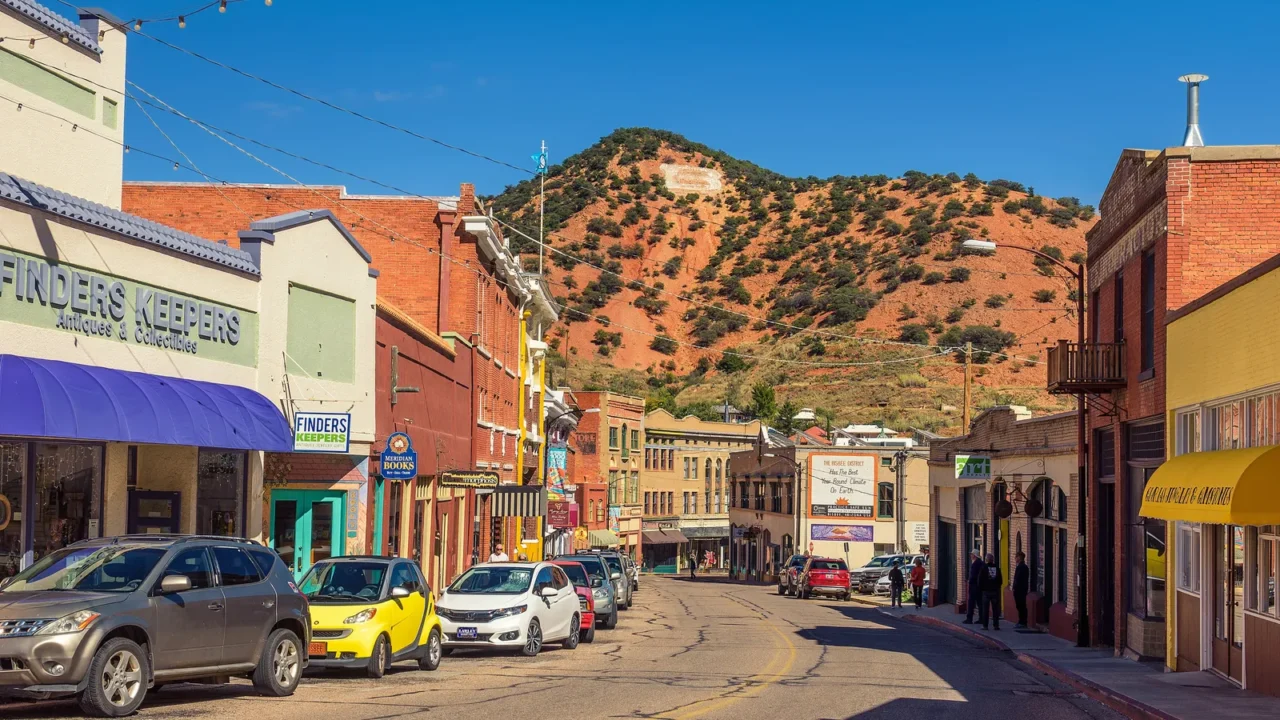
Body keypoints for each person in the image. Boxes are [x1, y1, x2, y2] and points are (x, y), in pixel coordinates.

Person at [979, 553, 1003, 631]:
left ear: (986, 559)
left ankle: (985, 625)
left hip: (986, 592)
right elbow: (1000, 580)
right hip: (995, 591)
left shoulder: (984, 568)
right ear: (992, 560)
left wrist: (981, 588)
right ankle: (996, 625)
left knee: (985, 609)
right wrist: (997, 587)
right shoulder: (997, 568)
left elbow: (980, 580)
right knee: (995, 609)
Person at [963, 551, 985, 624]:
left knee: (971, 602)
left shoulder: (975, 564)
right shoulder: (982, 563)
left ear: (975, 555)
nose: (970, 555)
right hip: (980, 586)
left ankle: (969, 619)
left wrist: (970, 582)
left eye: (972, 554)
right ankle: (981, 618)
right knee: (980, 603)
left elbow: (973, 575)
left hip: (974, 586)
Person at [1013, 551, 1030, 629]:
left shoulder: (1021, 567)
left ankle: (1022, 622)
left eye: (1016, 557)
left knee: (1021, 605)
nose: (1015, 559)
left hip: (1020, 590)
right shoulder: (1023, 567)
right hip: (1022, 590)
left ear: (1019, 558)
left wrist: (1014, 588)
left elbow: (1018, 579)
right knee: (1020, 605)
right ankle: (1022, 621)